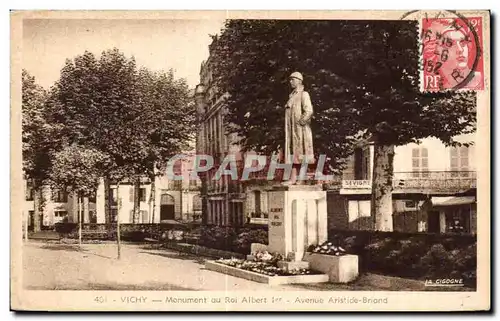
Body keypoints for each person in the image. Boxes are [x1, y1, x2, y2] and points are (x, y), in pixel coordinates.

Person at [283, 72, 315, 184]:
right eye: (290, 79)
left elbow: (309, 111)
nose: (290, 81)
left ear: (299, 80)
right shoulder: (291, 96)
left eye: (293, 79)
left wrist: (301, 122)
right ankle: (292, 179)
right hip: (291, 132)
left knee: (302, 154)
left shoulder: (304, 94)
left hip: (301, 131)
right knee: (292, 154)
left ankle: (301, 179)